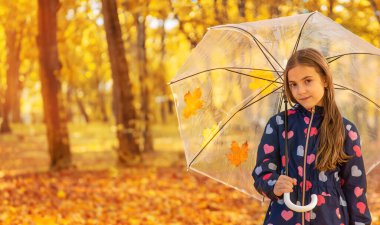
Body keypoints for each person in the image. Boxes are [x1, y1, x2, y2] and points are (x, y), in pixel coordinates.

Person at [252, 48, 372, 225]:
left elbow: (356, 189)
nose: (300, 91)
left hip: (330, 218)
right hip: (284, 217)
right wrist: (274, 184)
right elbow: (261, 173)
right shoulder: (278, 124)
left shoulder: (346, 130)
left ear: (324, 78)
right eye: (293, 84)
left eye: (307, 81)